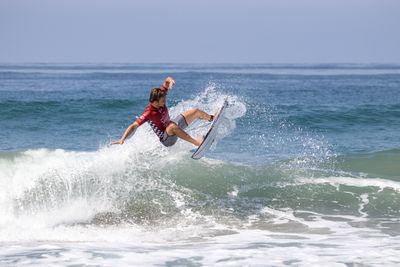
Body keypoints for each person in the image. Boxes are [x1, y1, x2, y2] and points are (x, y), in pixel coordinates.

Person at [112, 77, 214, 147]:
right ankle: (197, 143)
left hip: (172, 126)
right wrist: (122, 139)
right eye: (163, 100)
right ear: (155, 101)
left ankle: (211, 118)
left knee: (195, 111)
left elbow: (166, 82)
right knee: (172, 126)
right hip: (167, 139)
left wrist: (170, 80)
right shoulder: (149, 113)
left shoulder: (160, 95)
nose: (165, 101)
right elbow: (133, 126)